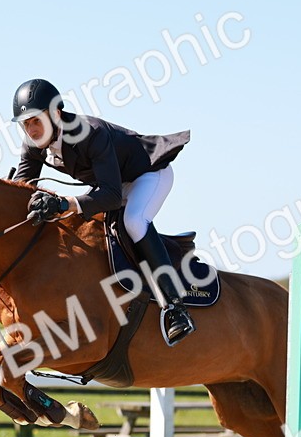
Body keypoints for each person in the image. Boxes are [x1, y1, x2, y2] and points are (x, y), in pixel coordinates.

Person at [10, 78, 196, 346]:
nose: (31, 129)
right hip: (115, 183)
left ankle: (175, 308)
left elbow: (110, 196)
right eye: (25, 124)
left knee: (133, 221)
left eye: (35, 120)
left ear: (55, 114)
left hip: (148, 175)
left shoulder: (89, 133)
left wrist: (65, 204)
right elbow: (21, 188)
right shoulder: (32, 145)